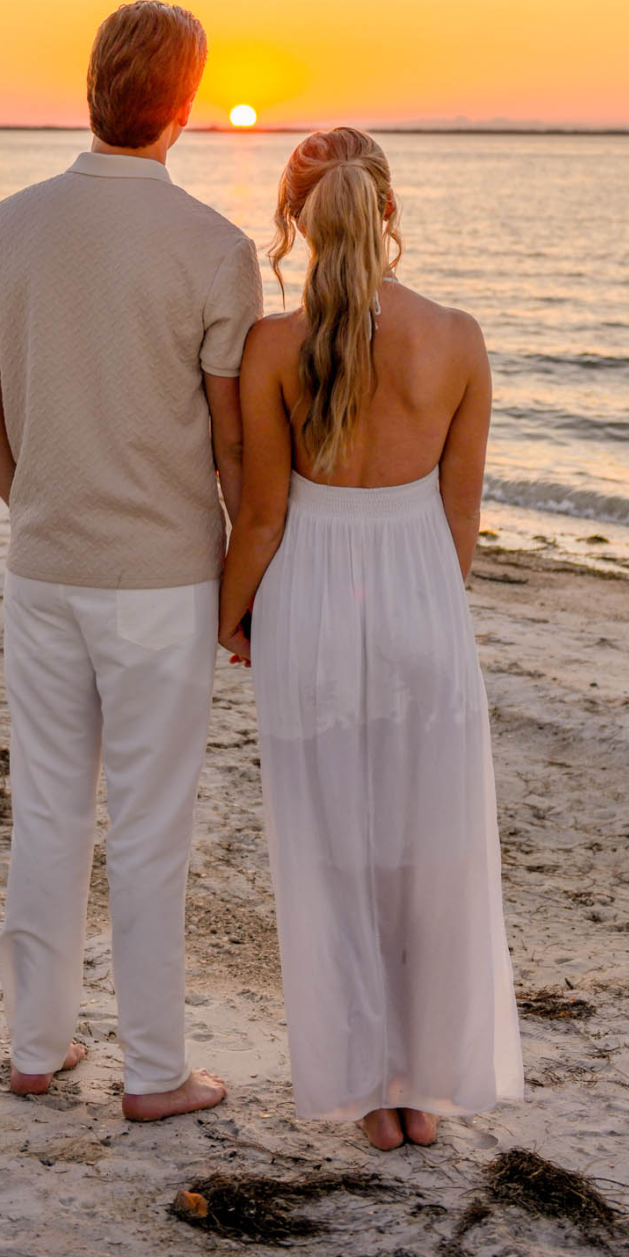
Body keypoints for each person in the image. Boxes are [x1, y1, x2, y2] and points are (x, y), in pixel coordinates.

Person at [0, 0, 262, 1120]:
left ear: (93, 89)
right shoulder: (215, 251)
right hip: (164, 580)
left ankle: (36, 1049)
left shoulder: (4, 226)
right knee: (149, 827)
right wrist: (247, 588)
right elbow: (232, 446)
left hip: (44, 566)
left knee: (48, 808)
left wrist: (32, 500)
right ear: (183, 105)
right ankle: (155, 1071)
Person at [218, 126, 523, 1150]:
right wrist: (430, 612)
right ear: (389, 212)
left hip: (307, 597)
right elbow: (461, 519)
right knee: (427, 850)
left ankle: (362, 1092)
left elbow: (260, 516)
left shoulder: (269, 346)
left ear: (294, 221)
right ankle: (424, 1089)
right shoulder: (460, 338)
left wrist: (230, 619)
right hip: (422, 600)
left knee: (331, 850)